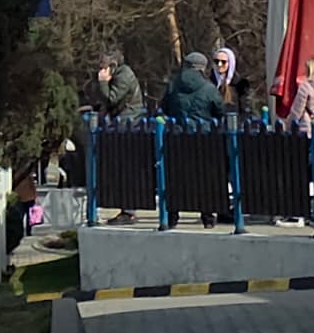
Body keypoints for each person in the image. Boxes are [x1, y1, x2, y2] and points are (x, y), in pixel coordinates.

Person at [160, 52, 226, 228]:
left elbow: (164, 106)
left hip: (177, 138)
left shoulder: (173, 85)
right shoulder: (208, 88)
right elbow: (220, 110)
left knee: (176, 177)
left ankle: (172, 215)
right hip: (203, 139)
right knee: (204, 177)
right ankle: (207, 216)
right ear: (202, 68)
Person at [91, 48, 144, 225]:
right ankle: (124, 208)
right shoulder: (117, 75)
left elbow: (112, 98)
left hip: (128, 124)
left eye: (103, 66)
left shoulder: (124, 76)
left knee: (125, 167)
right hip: (120, 123)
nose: (100, 70)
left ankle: (129, 210)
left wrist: (102, 83)